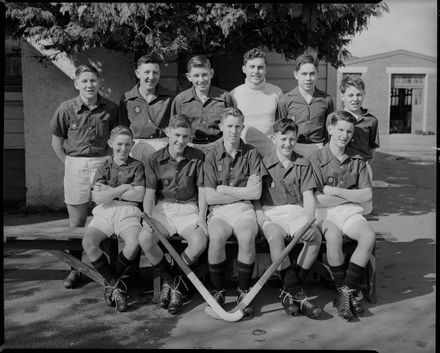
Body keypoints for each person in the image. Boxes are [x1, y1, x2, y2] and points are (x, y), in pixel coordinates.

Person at [50, 64, 119, 289]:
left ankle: (111, 271)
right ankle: (76, 269)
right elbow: (56, 142)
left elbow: (117, 140)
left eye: (93, 81)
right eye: (85, 81)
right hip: (75, 164)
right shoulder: (66, 108)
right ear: (76, 83)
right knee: (77, 221)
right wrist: (70, 164)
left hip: (102, 163)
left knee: (106, 216)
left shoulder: (110, 108)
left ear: (99, 82)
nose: (89, 85)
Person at [309, 111, 376, 321]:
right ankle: (345, 293)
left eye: (349, 131)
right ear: (330, 129)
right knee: (333, 236)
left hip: (350, 212)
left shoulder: (358, 160)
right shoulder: (315, 158)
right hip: (324, 213)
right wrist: (351, 197)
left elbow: (367, 195)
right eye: (340, 130)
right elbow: (316, 199)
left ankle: (344, 293)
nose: (344, 135)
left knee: (368, 236)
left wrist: (336, 192)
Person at [138, 114, 207, 314]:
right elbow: (150, 193)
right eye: (177, 135)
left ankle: (172, 282)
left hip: (188, 208)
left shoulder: (197, 157)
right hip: (163, 208)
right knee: (145, 239)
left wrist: (202, 218)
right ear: (168, 133)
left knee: (199, 242)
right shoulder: (155, 158)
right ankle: (174, 284)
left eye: (185, 136)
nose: (181, 141)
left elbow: (202, 190)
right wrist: (147, 217)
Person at [253, 118, 322, 319]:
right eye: (283, 139)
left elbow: (308, 196)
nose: (287, 144)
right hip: (272, 212)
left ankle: (288, 290)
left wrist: (310, 220)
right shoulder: (263, 162)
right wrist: (259, 215)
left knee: (314, 236)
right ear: (274, 139)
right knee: (275, 238)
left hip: (297, 211)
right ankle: (297, 292)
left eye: (292, 139)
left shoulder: (303, 163)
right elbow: (255, 195)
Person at [203, 107, 263, 316]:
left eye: (238, 126)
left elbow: (255, 193)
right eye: (229, 126)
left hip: (244, 209)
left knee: (247, 236)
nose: (233, 131)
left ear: (242, 128)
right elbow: (210, 196)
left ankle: (243, 291)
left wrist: (226, 189)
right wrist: (244, 191)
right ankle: (218, 290)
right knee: (217, 236)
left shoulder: (252, 153)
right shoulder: (211, 155)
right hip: (219, 210)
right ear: (221, 127)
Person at [82, 126, 145, 312]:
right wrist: (125, 187)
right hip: (105, 211)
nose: (123, 149)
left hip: (128, 212)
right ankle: (116, 285)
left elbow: (139, 195)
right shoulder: (104, 166)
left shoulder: (137, 166)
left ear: (132, 145)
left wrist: (109, 191)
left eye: (127, 144)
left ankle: (112, 282)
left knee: (134, 243)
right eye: (119, 144)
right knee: (89, 243)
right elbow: (98, 198)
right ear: (110, 143)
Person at [326, 75, 380, 214]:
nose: (355, 99)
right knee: (335, 203)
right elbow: (329, 143)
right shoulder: (333, 118)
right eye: (350, 95)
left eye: (359, 94)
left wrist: (365, 165)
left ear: (364, 95)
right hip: (337, 167)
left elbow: (372, 147)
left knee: (364, 208)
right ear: (342, 96)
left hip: (361, 167)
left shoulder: (371, 120)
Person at [119, 53, 174, 167]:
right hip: (135, 147)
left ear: (159, 74)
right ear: (137, 73)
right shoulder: (127, 99)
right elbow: (122, 128)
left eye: (155, 72)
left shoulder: (170, 97)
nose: (151, 77)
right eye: (146, 72)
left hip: (161, 145)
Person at [171, 55, 235, 153]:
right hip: (189, 149)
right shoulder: (180, 100)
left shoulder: (225, 98)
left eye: (205, 75)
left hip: (218, 149)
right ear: (189, 77)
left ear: (211, 73)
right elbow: (174, 130)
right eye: (196, 76)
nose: (201, 80)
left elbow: (232, 127)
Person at [276, 54, 334, 158]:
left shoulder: (326, 100)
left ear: (317, 75)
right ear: (296, 74)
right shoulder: (285, 100)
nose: (308, 78)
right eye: (304, 74)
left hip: (319, 150)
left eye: (312, 74)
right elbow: (280, 130)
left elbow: (330, 130)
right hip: (294, 149)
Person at [230, 48, 283, 156]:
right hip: (243, 156)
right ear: (244, 69)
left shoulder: (276, 92)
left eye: (260, 67)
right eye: (252, 67)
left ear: (265, 69)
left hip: (270, 154)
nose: (256, 71)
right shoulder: (234, 94)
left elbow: (281, 125)